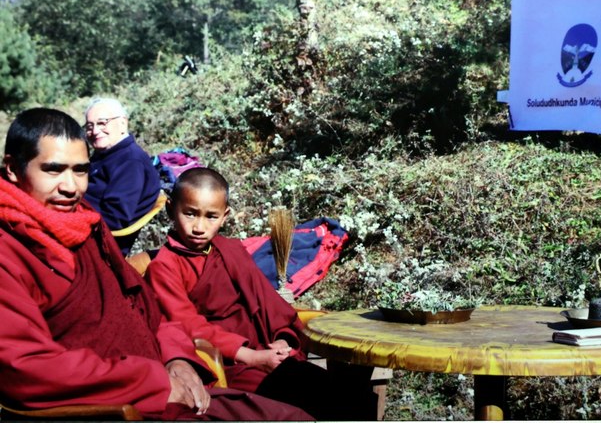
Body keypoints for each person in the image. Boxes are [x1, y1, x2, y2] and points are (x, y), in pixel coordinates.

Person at [0, 108, 312, 421]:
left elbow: (144, 306)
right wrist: (153, 382)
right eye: (54, 170)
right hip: (112, 406)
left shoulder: (85, 226)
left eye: (80, 171)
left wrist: (176, 358)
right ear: (13, 168)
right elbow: (24, 367)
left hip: (163, 385)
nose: (71, 186)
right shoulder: (10, 252)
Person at [146, 167, 378, 420]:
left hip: (266, 351)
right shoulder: (165, 266)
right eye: (190, 214)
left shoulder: (230, 250)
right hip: (228, 363)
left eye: (210, 217)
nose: (199, 227)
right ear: (171, 209)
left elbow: (268, 302)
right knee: (307, 405)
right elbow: (188, 325)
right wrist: (251, 356)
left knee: (350, 395)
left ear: (225, 217)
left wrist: (282, 340)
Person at [83, 97, 161, 255]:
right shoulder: (107, 153)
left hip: (97, 244)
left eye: (102, 123)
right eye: (90, 126)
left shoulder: (130, 162)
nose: (95, 131)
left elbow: (114, 218)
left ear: (122, 124)